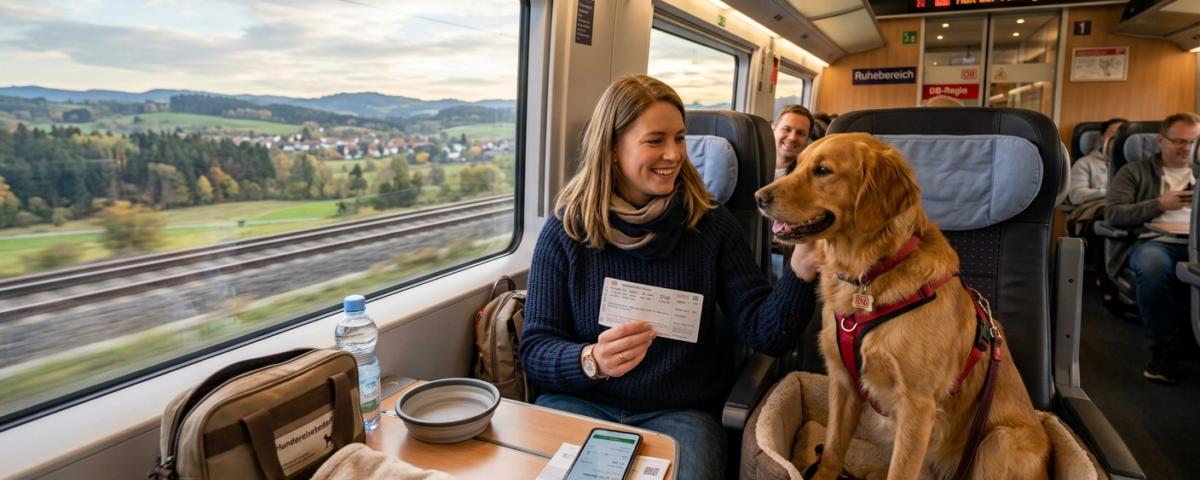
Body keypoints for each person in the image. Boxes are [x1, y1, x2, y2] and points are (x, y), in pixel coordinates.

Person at [520, 75, 819, 480]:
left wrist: (800, 273)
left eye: (679, 138)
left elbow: (766, 335)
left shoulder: (712, 226)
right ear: (611, 148)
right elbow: (536, 350)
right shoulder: (567, 231)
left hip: (682, 414)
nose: (674, 154)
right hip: (581, 402)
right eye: (655, 140)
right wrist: (591, 360)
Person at [1105, 112, 1199, 384]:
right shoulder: (1134, 171)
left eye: (1194, 142)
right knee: (1153, 267)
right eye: (1179, 141)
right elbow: (1113, 215)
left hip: (1196, 243)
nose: (1187, 148)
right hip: (1155, 242)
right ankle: (1164, 352)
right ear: (1160, 140)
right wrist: (1159, 204)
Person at [1068, 118, 1127, 207]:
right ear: (1102, 138)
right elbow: (1076, 195)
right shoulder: (1085, 163)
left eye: (1123, 137)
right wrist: (1109, 193)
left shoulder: (1137, 165)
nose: (1118, 141)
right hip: (1100, 212)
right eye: (1113, 137)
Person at [773, 105, 814, 180]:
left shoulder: (808, 178)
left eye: (800, 133)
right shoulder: (751, 164)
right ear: (773, 130)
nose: (792, 138)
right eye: (787, 129)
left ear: (807, 139)